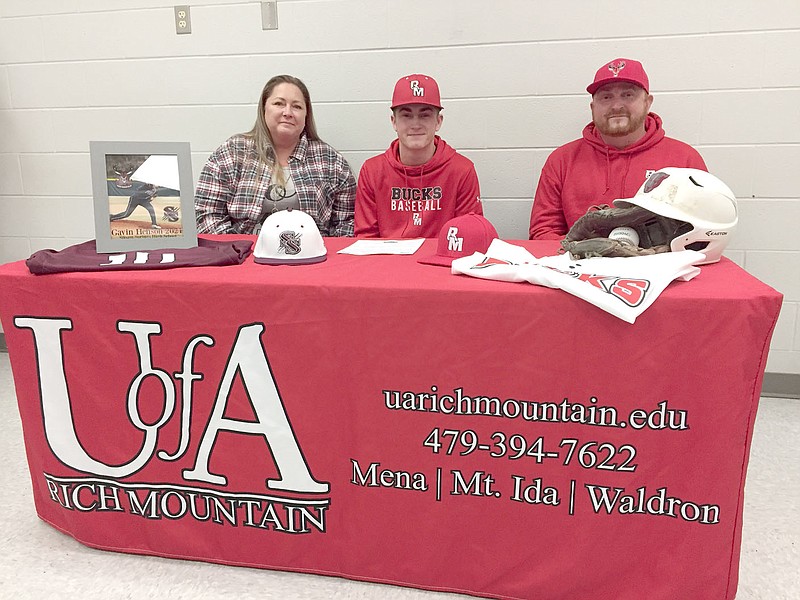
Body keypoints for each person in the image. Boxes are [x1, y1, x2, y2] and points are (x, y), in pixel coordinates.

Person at [529, 58, 707, 240]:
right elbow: (543, 232)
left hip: (660, 266)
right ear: (593, 107)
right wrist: (585, 254)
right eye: (606, 97)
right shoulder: (562, 160)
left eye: (628, 95)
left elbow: (702, 231)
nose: (616, 106)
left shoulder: (685, 159)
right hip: (581, 264)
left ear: (647, 102)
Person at [195, 74, 356, 236]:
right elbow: (206, 214)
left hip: (315, 257)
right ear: (264, 108)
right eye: (279, 103)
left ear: (306, 115)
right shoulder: (233, 152)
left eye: (297, 107)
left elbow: (347, 222)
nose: (288, 112)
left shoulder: (331, 161)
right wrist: (238, 251)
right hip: (245, 257)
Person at [354, 74, 482, 238]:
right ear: (394, 121)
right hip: (387, 262)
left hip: (442, 261)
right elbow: (366, 239)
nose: (415, 124)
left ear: (438, 121)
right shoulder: (372, 171)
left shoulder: (462, 170)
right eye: (406, 115)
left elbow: (468, 235)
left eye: (425, 115)